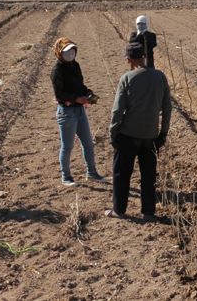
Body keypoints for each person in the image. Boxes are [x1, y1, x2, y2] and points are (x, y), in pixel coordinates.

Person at [106, 42, 172, 219]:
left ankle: (119, 210)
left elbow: (117, 110)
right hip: (150, 136)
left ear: (129, 60)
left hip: (127, 136)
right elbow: (167, 108)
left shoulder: (127, 78)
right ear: (144, 56)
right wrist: (162, 134)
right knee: (148, 177)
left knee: (121, 174)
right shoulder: (160, 77)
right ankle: (148, 212)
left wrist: (113, 134)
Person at [51, 37, 105, 186]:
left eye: (72, 50)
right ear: (59, 53)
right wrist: (76, 99)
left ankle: (92, 173)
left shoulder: (75, 66)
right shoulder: (57, 71)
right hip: (67, 113)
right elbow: (60, 95)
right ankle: (66, 176)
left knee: (88, 143)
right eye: (66, 51)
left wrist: (87, 93)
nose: (70, 54)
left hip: (79, 111)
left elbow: (79, 85)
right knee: (67, 146)